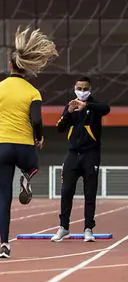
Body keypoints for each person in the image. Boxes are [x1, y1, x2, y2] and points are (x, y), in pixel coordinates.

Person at [0, 26, 58, 259]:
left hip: (1, 146)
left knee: (3, 199)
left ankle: (4, 244)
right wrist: (38, 137)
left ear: (9, 65)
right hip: (24, 147)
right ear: (27, 65)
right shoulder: (33, 91)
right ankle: (28, 177)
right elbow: (36, 119)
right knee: (33, 166)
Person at [51, 77, 110, 243]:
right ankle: (63, 227)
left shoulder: (95, 106)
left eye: (85, 88)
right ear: (74, 88)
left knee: (89, 193)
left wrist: (88, 105)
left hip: (91, 154)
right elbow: (60, 128)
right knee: (66, 190)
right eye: (79, 88)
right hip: (72, 154)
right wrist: (68, 112)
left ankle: (88, 229)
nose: (82, 91)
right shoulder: (71, 105)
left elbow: (106, 108)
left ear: (90, 89)